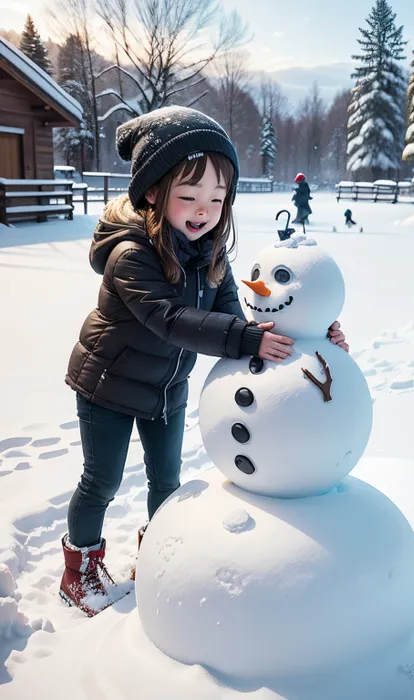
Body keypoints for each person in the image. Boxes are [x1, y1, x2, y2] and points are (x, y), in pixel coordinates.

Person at [59, 106, 349, 616]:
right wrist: (245, 339)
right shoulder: (132, 254)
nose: (203, 209)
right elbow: (169, 319)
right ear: (153, 192)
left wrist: (309, 335)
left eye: (216, 198)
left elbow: (237, 321)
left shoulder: (211, 253)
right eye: (188, 196)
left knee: (166, 480)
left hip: (165, 387)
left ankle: (159, 553)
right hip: (107, 382)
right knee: (101, 481)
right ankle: (79, 571)